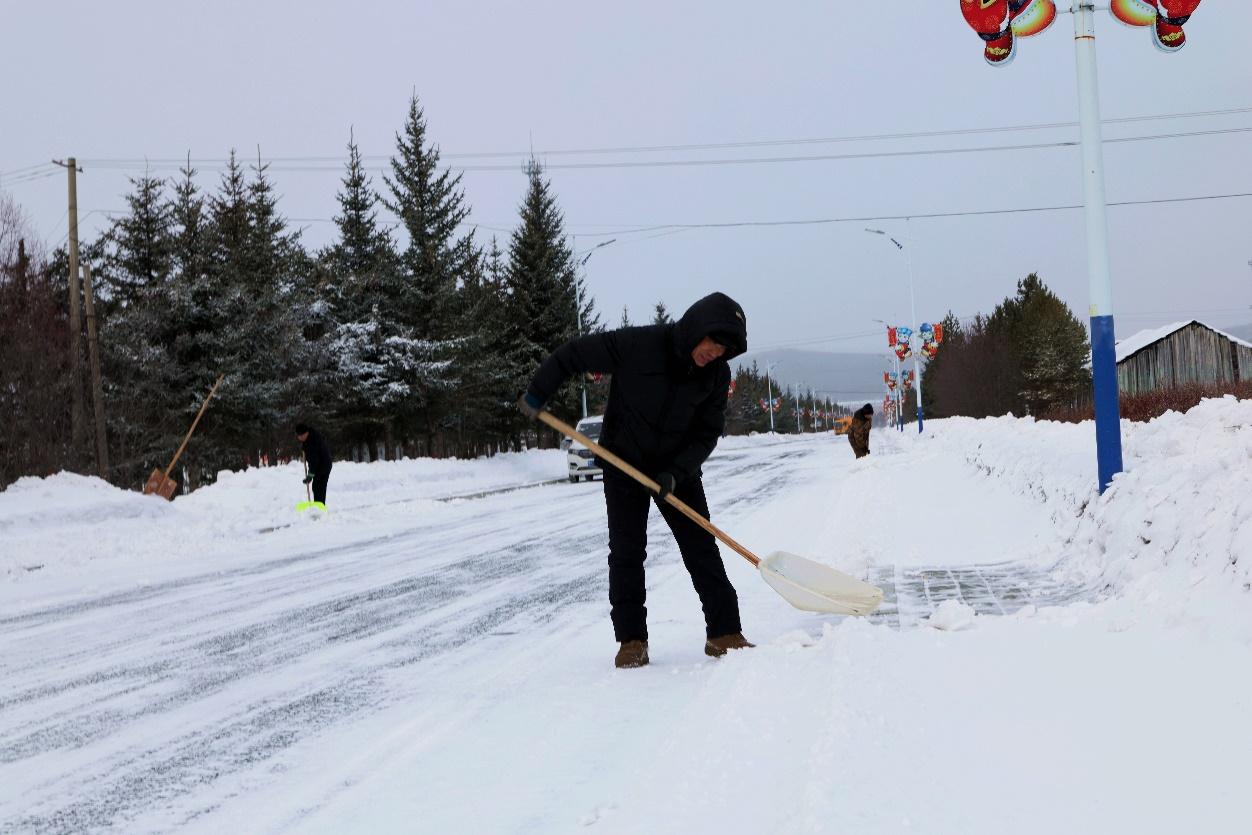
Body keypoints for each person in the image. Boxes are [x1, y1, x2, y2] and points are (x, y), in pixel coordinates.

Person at [518, 292, 753, 669]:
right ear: (697, 329)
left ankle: (724, 632)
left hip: (676, 471)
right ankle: (632, 641)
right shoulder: (639, 345)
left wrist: (676, 472)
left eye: (724, 349)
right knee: (627, 552)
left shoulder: (716, 374)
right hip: (623, 463)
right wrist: (537, 392)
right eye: (713, 341)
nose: (715, 352)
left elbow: (708, 432)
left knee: (701, 547)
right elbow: (573, 354)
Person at [295, 422, 332, 505]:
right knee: (316, 487)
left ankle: (319, 507)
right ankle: (318, 505)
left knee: (319, 487)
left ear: (305, 433)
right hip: (321, 463)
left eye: (300, 436)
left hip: (323, 465)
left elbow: (314, 462)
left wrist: (310, 476)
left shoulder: (312, 442)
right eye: (298, 436)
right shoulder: (310, 436)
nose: (299, 438)